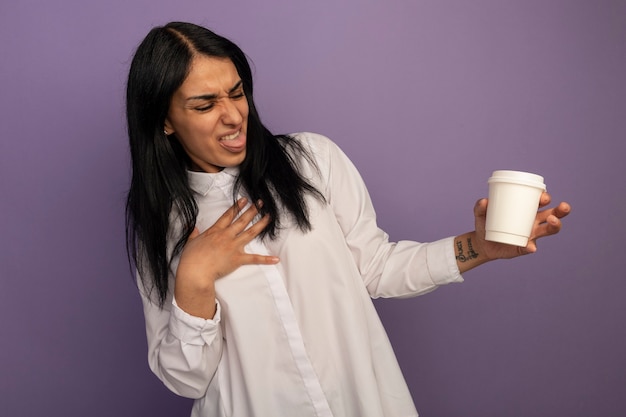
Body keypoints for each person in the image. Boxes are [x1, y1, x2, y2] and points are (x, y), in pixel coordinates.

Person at [125, 21, 570, 417]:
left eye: (237, 92)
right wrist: (194, 279)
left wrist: (482, 247)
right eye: (204, 105)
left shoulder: (312, 160)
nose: (233, 115)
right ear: (165, 120)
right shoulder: (160, 225)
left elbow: (375, 269)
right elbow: (187, 380)